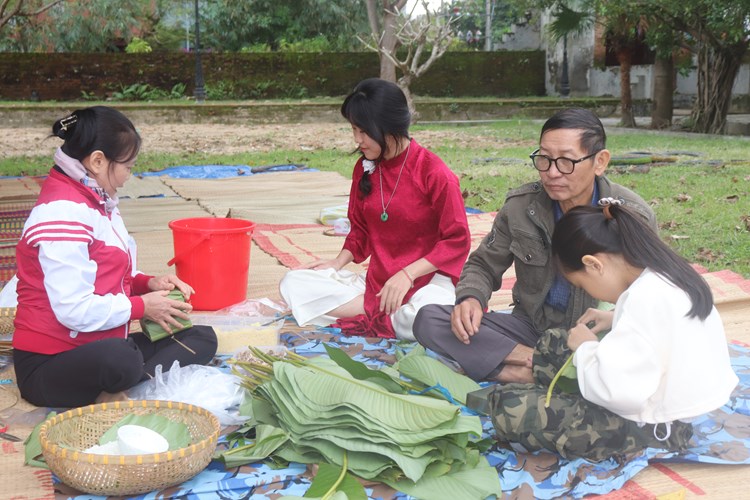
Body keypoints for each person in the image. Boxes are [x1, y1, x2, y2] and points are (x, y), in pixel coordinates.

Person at [413, 107, 656, 383]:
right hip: (529, 328)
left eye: (566, 161)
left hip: (595, 332)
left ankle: (514, 371)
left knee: (641, 358)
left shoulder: (632, 216)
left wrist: (613, 321)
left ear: (599, 161)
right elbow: (483, 264)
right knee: (429, 320)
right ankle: (541, 365)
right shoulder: (521, 207)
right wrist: (471, 298)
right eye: (544, 159)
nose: (552, 173)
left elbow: (653, 295)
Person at [487, 201, 738, 461]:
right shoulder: (662, 274)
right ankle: (541, 378)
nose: (588, 292)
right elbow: (660, 331)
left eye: (582, 285)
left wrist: (586, 348)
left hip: (655, 425)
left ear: (594, 265)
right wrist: (615, 316)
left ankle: (539, 385)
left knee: (509, 407)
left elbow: (621, 394)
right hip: (668, 397)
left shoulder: (642, 301)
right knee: (555, 342)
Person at [13, 106, 217, 408]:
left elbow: (105, 274)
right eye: (128, 166)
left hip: (95, 346)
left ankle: (112, 390)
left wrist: (148, 283)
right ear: (97, 161)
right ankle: (118, 383)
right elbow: (74, 310)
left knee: (202, 337)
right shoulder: (62, 212)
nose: (128, 177)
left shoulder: (96, 198)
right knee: (121, 359)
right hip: (49, 363)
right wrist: (142, 307)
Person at [280, 78, 471, 340]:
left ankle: (379, 314)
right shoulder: (364, 168)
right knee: (293, 282)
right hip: (380, 284)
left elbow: (457, 240)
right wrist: (337, 263)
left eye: (364, 131)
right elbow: (360, 230)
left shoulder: (434, 173)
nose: (357, 140)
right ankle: (379, 312)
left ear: (389, 126)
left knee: (422, 316)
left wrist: (407, 274)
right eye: (353, 130)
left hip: (428, 282)